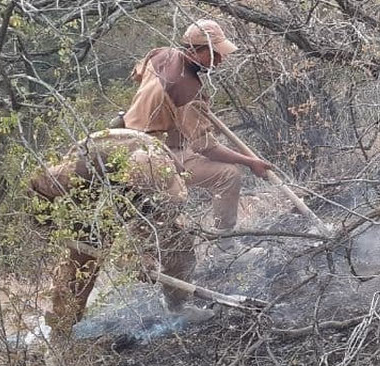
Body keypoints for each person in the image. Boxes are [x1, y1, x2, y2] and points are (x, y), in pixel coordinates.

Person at [29, 129, 196, 336]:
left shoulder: (164, 168)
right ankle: (60, 330)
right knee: (81, 269)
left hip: (132, 191)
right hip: (93, 199)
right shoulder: (76, 171)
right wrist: (45, 225)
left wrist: (146, 252)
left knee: (180, 244)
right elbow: (35, 185)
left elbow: (158, 215)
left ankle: (177, 307)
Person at [121, 19, 273, 230]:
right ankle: (225, 240)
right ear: (195, 51)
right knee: (229, 175)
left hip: (126, 139)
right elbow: (206, 147)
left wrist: (166, 107)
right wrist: (250, 162)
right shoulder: (188, 90)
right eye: (214, 54)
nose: (220, 59)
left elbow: (137, 74)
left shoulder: (161, 54)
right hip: (153, 153)